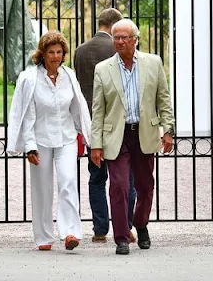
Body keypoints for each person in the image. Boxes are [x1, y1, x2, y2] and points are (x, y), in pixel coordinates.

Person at [90, 19, 175, 255]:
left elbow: (163, 101)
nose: (119, 42)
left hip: (144, 133)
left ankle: (141, 224)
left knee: (146, 186)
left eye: (124, 37)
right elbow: (98, 111)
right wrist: (95, 144)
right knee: (118, 186)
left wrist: (168, 130)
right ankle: (121, 237)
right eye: (116, 37)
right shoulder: (103, 69)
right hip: (117, 135)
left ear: (135, 40)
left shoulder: (153, 63)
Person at [7, 30, 91, 251]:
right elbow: (26, 116)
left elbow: (78, 108)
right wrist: (29, 146)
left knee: (68, 182)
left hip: (66, 138)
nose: (55, 56)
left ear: (64, 54)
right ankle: (44, 237)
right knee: (42, 189)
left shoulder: (69, 76)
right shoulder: (29, 78)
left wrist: (88, 137)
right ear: (42, 53)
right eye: (51, 52)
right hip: (40, 140)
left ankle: (70, 231)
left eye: (59, 52)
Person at [74, 8, 137, 243]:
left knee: (97, 178)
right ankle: (126, 226)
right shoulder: (119, 48)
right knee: (125, 179)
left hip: (92, 123)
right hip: (119, 122)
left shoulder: (80, 51)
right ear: (115, 26)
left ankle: (100, 229)